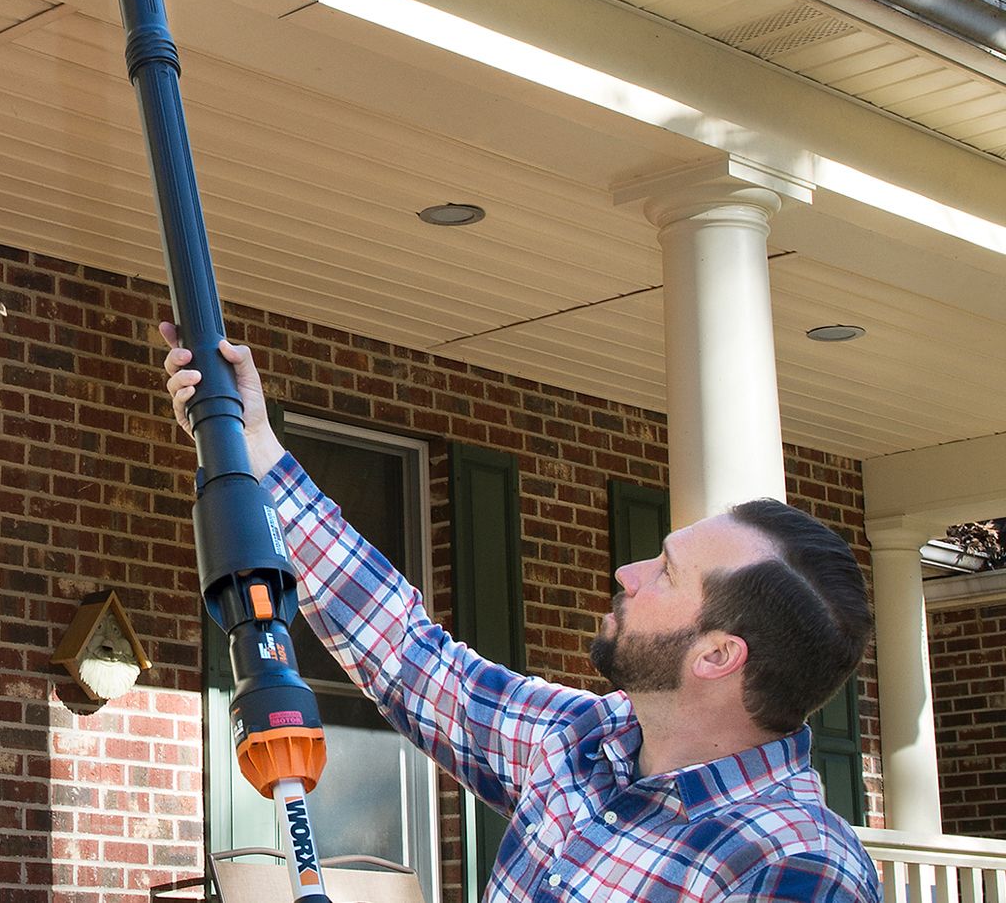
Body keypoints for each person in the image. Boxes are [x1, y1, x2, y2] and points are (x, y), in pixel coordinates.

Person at [160, 325, 881, 902]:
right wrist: (258, 452)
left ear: (718, 654)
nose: (627, 573)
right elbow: (411, 657)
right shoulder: (579, 745)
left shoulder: (797, 867)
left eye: (665, 572)